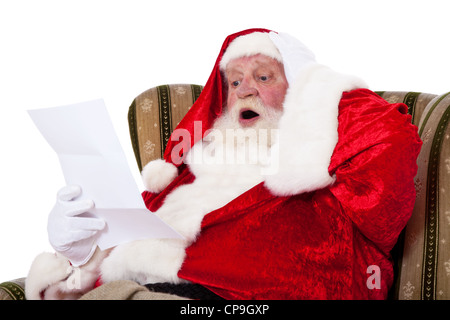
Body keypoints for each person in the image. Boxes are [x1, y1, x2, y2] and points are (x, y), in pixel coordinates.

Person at [25, 28, 422, 300]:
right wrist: (80, 250)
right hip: (146, 288)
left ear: (303, 90)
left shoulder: (324, 156)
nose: (245, 89)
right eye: (234, 82)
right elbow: (117, 255)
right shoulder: (189, 175)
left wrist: (322, 89)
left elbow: (391, 144)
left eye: (264, 76)